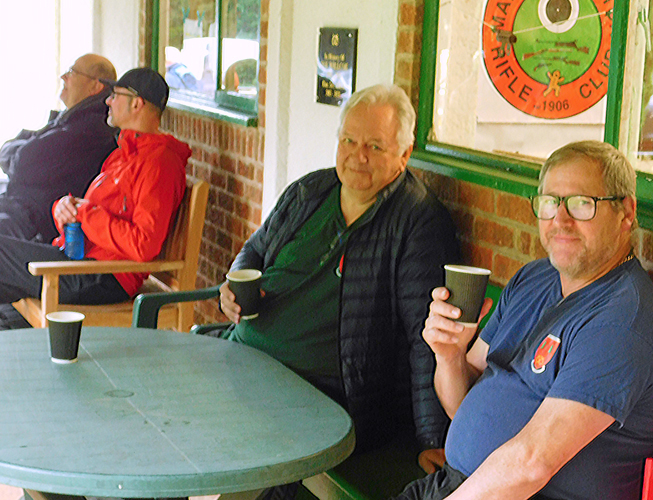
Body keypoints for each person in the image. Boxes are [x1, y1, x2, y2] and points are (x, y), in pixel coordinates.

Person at [400, 141, 653, 500]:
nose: (560, 220)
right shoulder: (533, 279)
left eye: (582, 204)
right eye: (550, 202)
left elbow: (532, 463)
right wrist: (449, 355)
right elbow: (461, 406)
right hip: (460, 484)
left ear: (626, 212)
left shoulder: (624, 320)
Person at [219, 84, 460, 467]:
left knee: (244, 456)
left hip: (322, 396)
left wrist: (434, 437)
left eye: (375, 147)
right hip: (241, 360)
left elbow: (425, 335)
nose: (357, 156)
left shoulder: (417, 222)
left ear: (405, 154)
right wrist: (233, 284)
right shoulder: (311, 191)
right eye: (349, 140)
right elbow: (255, 250)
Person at [0, 68, 191, 313]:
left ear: (137, 104)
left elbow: (143, 245)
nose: (108, 101)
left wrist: (85, 214)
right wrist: (64, 210)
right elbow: (90, 215)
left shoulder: (159, 163)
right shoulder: (121, 155)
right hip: (78, 261)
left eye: (115, 95)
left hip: (104, 276)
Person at [0, 54, 118, 242]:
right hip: (20, 211)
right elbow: (12, 151)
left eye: (72, 72)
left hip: (35, 226)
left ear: (95, 86)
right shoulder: (71, 119)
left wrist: (20, 146)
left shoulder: (90, 129)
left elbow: (22, 163)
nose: (63, 77)